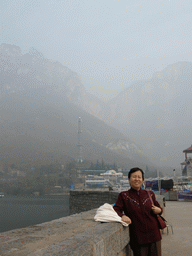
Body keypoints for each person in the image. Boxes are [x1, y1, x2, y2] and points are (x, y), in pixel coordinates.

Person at [113, 167, 162, 256]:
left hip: (154, 235)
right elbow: (116, 209)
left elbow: (159, 208)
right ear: (129, 179)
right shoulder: (124, 195)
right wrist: (122, 216)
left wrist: (159, 210)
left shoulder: (150, 194)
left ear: (142, 180)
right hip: (138, 238)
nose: (137, 179)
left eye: (139, 177)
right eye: (134, 177)